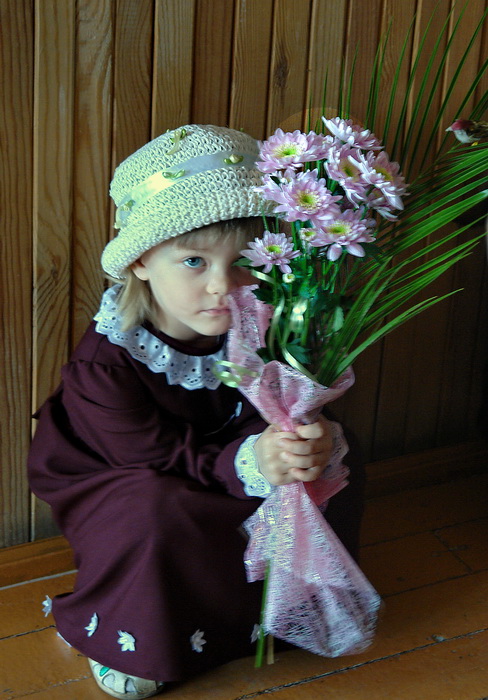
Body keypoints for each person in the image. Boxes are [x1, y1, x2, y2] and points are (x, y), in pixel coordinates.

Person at [28, 125, 365, 699]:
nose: (221, 286)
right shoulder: (108, 361)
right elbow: (148, 455)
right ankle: (133, 635)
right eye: (192, 262)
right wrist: (251, 461)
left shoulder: (264, 321)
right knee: (157, 511)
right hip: (124, 477)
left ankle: (272, 613)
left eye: (244, 262)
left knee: (327, 458)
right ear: (139, 263)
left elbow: (275, 399)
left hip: (226, 459)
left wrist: (302, 437)